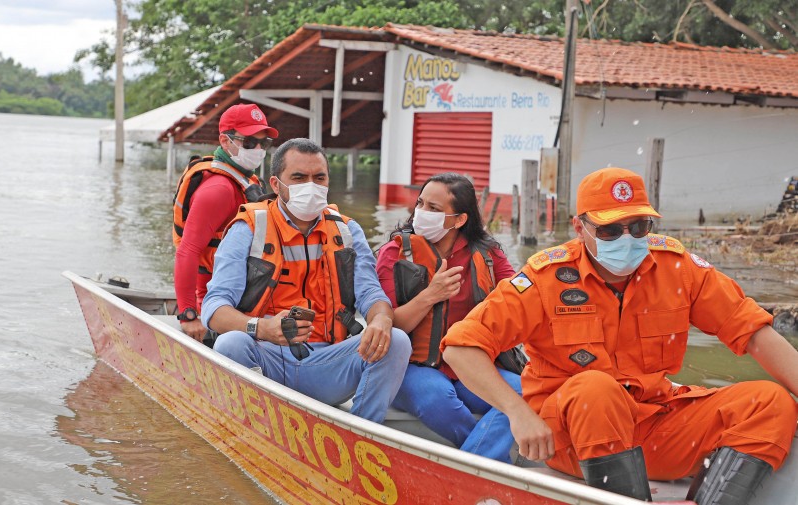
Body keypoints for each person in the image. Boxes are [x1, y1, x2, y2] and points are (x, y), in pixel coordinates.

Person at [441, 167, 798, 503]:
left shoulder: (678, 268)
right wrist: (518, 413)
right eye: (611, 231)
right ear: (579, 228)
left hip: (653, 421)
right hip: (569, 437)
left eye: (639, 226)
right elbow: (461, 348)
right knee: (594, 387)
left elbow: (752, 331)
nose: (627, 239)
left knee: (772, 402)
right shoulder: (545, 278)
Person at [201, 138, 410, 423]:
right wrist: (262, 327)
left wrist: (382, 320)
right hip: (268, 361)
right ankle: (257, 425)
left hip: (329, 363)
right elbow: (213, 309)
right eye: (299, 178)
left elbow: (371, 293)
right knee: (231, 344)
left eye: (319, 178)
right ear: (275, 184)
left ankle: (363, 436)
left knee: (396, 340)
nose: (311, 185)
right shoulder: (249, 228)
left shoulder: (347, 230)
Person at [375, 172, 523, 461]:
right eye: (420, 203)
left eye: (433, 208)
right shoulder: (396, 252)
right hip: (414, 366)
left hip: (472, 364)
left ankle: (476, 467)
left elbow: (521, 300)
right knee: (436, 400)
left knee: (529, 392)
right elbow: (389, 324)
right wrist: (431, 294)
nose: (421, 212)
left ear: (459, 220)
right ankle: (493, 467)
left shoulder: (488, 255)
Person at [172, 103, 277, 341]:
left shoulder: (247, 180)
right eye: (250, 142)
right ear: (225, 141)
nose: (259, 149)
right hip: (213, 301)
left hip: (240, 293)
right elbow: (187, 250)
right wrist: (188, 315)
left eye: (264, 143)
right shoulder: (219, 189)